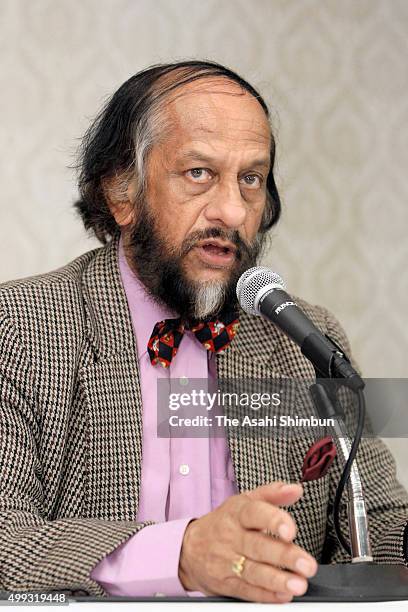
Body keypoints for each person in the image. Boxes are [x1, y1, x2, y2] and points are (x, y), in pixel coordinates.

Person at [0, 60, 407, 604]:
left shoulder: (303, 337)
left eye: (250, 179)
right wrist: (183, 554)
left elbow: (379, 522)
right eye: (199, 174)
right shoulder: (23, 325)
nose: (232, 211)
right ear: (122, 193)